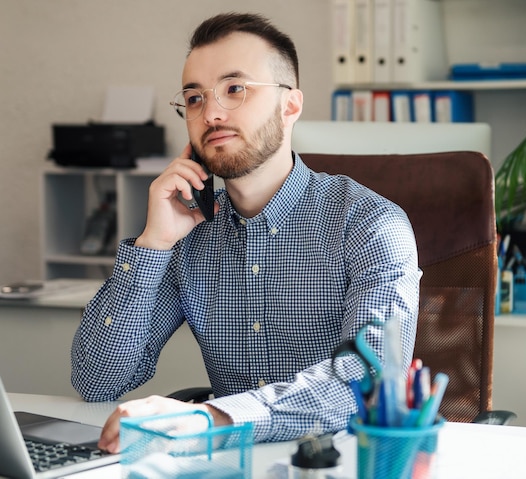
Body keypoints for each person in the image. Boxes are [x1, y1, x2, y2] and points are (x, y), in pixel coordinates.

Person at [71, 12, 421, 454]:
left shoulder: (371, 224)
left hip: (343, 461)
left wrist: (213, 417)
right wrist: (152, 244)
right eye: (194, 98)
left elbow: (368, 380)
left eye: (235, 89)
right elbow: (97, 378)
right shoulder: (190, 235)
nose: (211, 113)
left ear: (290, 105)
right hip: (225, 463)